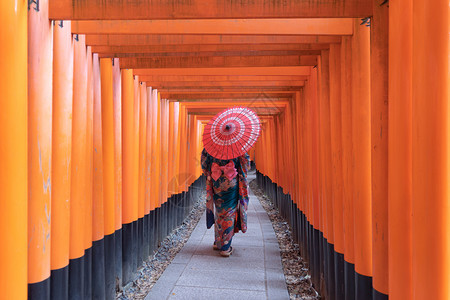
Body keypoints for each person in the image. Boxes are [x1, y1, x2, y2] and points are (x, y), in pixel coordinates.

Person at [201, 148, 250, 257]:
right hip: (231, 182)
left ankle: (218, 241)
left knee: (219, 210)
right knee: (229, 212)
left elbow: (204, 164)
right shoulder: (237, 146)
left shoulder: (212, 145)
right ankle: (225, 247)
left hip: (217, 181)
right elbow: (245, 162)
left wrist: (213, 170)